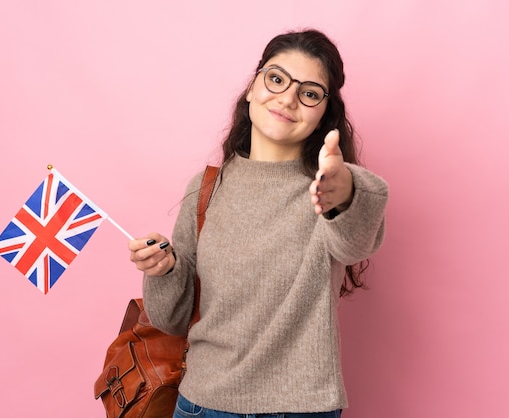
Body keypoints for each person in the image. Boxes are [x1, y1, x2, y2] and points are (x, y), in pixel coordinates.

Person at [129, 28, 388, 418]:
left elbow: (355, 243)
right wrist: (164, 271)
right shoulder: (205, 187)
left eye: (310, 92)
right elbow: (172, 320)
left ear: (323, 114)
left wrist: (345, 192)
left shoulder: (327, 187)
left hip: (302, 408)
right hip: (203, 405)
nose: (287, 98)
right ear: (252, 87)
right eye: (277, 78)